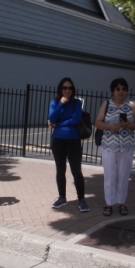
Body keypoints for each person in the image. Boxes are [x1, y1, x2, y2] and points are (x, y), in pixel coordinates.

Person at [95, 78, 135, 217]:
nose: (121, 91)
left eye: (123, 89)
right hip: (109, 146)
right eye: (118, 89)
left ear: (127, 91)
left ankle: (121, 202)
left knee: (123, 175)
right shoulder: (106, 104)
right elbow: (98, 122)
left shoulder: (132, 104)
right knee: (110, 175)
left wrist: (128, 125)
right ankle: (109, 203)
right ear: (113, 91)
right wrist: (110, 126)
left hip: (126, 146)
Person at [48, 77, 89, 212]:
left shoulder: (76, 103)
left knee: (76, 171)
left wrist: (58, 124)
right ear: (60, 89)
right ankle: (62, 197)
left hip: (73, 141)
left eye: (70, 88)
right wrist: (61, 104)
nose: (67, 90)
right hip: (58, 140)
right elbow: (51, 118)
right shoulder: (55, 102)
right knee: (60, 170)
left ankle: (81, 199)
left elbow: (75, 119)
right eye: (65, 88)